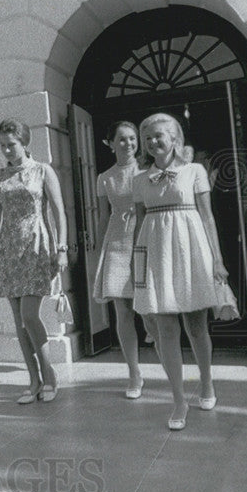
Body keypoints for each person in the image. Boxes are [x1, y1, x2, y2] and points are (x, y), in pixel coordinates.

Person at [131, 112, 234, 431]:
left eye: (158, 135)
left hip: (191, 251)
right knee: (165, 330)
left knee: (196, 326)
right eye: (147, 137)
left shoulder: (194, 171)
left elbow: (208, 218)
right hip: (155, 255)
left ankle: (206, 382)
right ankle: (178, 399)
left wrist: (216, 259)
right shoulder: (139, 179)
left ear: (175, 138)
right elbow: (138, 224)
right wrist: (137, 270)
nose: (152, 141)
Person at [0, 119, 69, 403]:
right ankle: (34, 380)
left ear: (24, 143)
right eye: (2, 145)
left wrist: (61, 248)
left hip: (37, 246)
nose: (6, 150)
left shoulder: (43, 171)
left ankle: (50, 375)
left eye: (11, 144)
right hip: (8, 249)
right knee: (19, 321)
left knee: (30, 315)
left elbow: (58, 212)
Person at [92, 121, 146, 399]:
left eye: (132, 139)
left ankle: (169, 362)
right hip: (117, 242)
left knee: (149, 310)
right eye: (122, 140)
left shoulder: (147, 171)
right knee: (122, 311)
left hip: (145, 238)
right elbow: (103, 216)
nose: (128, 144)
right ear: (110, 143)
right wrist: (98, 249)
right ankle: (134, 373)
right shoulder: (105, 177)